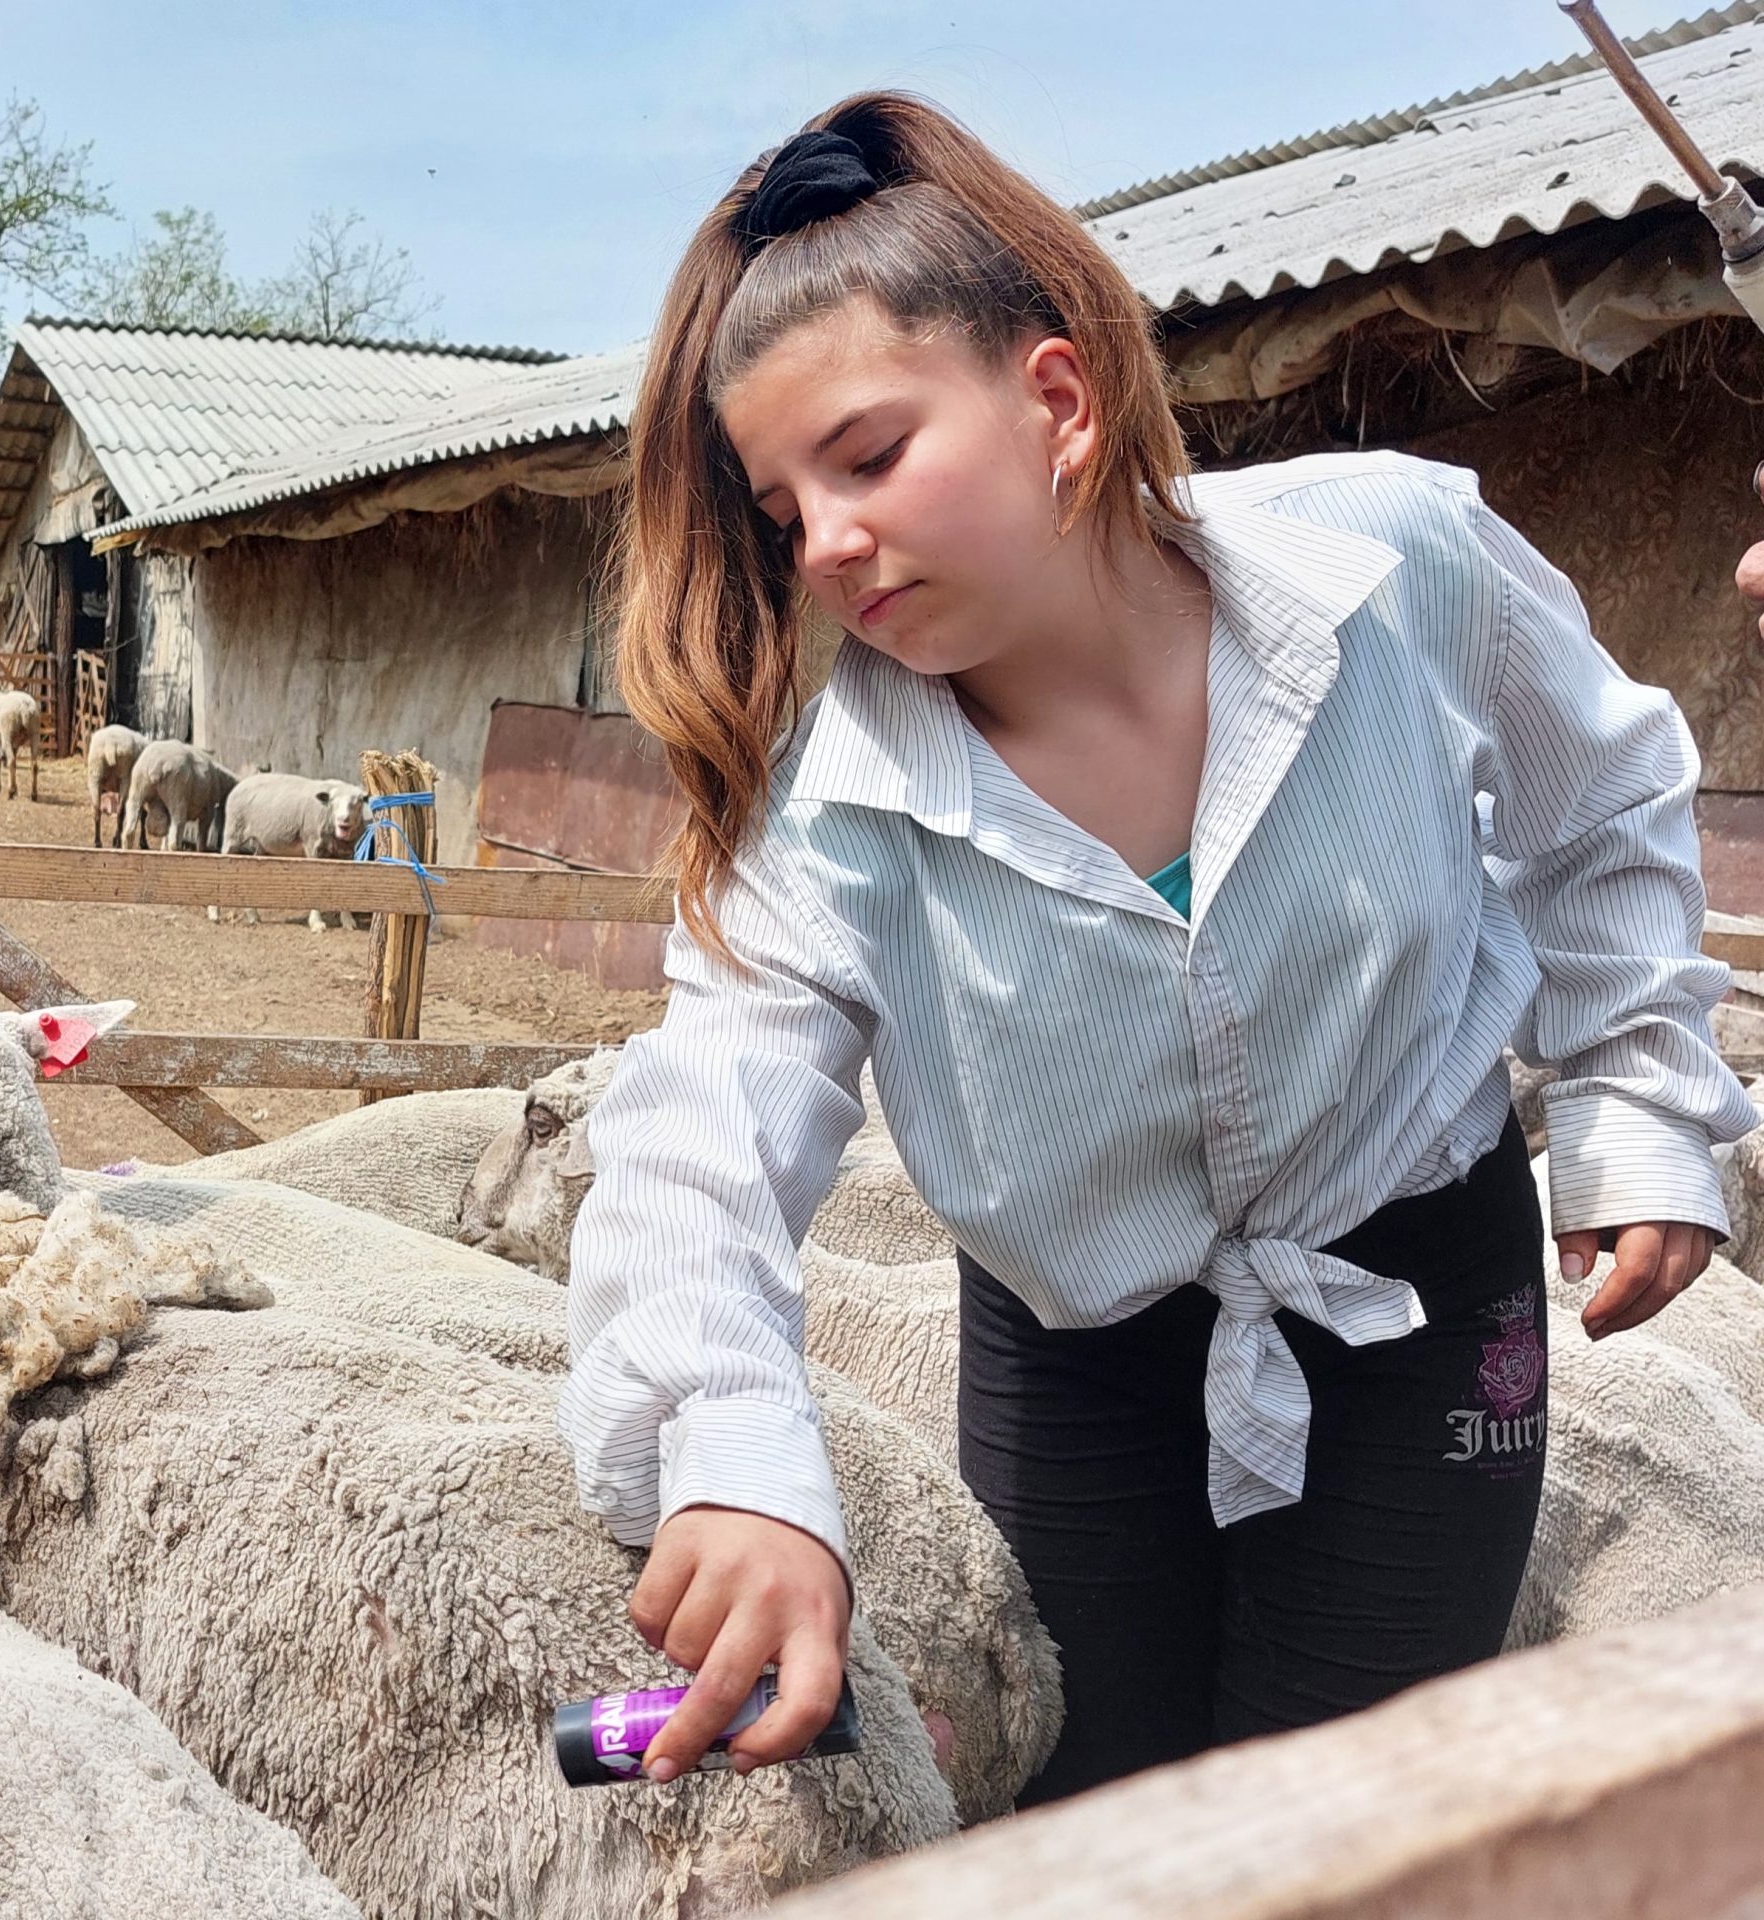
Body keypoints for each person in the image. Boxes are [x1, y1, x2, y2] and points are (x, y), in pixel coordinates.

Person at [558, 91, 1760, 1806]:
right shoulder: (826, 821)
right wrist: (736, 1451)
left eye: (870, 456)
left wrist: (1638, 1098)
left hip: (1416, 1277)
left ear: (1055, 396)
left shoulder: (1393, 562)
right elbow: (698, 1135)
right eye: (781, 506)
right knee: (1094, 1798)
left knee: (1349, 1809)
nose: (823, 540)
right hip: (1079, 1342)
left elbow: (1603, 796)